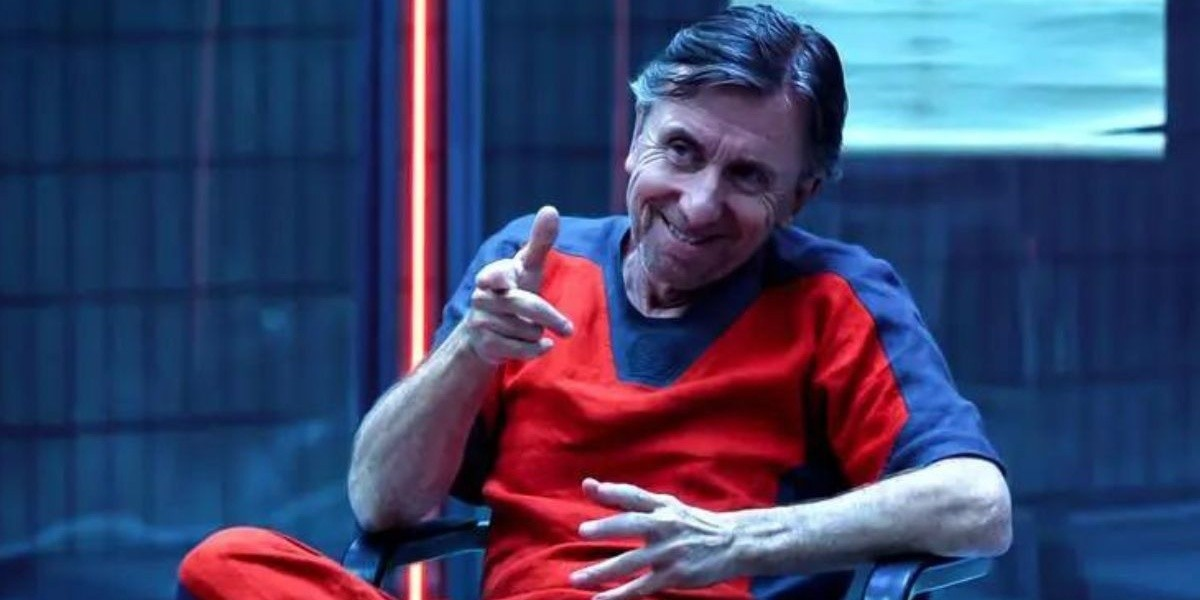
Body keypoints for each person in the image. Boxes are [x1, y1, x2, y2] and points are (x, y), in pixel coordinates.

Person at [177, 5, 1011, 600]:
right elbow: (382, 505)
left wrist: (736, 540)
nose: (699, 203)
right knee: (229, 564)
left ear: (800, 197)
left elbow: (978, 504)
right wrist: (470, 350)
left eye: (748, 176)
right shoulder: (528, 266)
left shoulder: (836, 298)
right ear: (635, 138)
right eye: (680, 151)